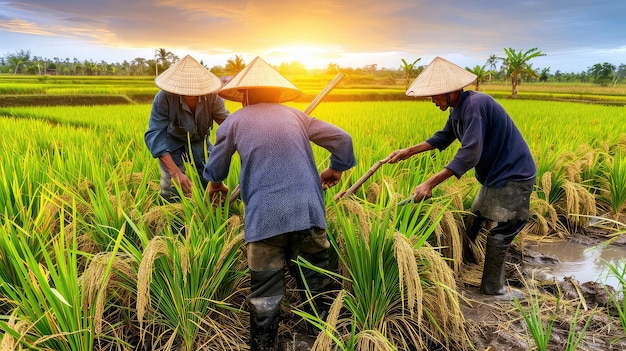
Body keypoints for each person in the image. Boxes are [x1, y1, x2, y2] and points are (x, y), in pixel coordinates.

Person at [203, 56, 356, 350]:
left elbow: (217, 168)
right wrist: (335, 169)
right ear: (277, 93)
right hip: (308, 213)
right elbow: (344, 139)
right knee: (317, 282)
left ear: (244, 95)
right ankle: (326, 340)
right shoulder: (296, 116)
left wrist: (216, 184)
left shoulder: (234, 121)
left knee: (265, 292)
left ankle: (264, 345)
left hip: (264, 220)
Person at [388, 56, 536, 299]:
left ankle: (493, 288)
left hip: (514, 173)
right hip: (493, 174)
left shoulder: (475, 107)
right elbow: (443, 137)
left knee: (505, 228)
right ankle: (466, 263)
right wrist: (407, 152)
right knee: (476, 218)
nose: (433, 101)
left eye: (435, 96)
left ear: (450, 91)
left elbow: (469, 154)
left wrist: (429, 183)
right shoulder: (460, 107)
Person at [144, 55, 229, 202]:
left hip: (200, 142)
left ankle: (209, 216)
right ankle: (173, 220)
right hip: (173, 143)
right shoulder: (164, 98)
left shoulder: (213, 97)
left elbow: (229, 126)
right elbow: (155, 136)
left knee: (208, 180)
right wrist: (175, 173)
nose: (190, 91)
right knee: (171, 189)